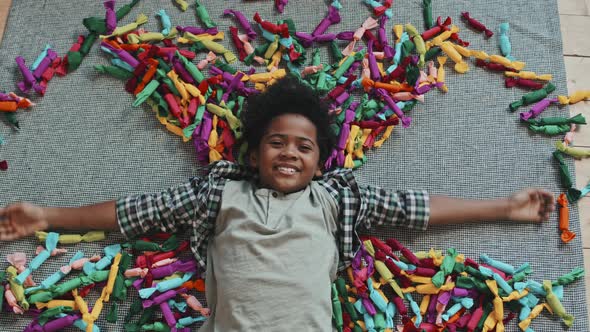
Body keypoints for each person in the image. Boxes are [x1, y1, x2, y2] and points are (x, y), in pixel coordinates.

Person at [0, 75, 555, 331]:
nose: (289, 154)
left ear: (321, 160)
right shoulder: (219, 192)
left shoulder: (339, 196)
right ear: (256, 148)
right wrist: (47, 217)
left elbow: (418, 209)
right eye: (276, 142)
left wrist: (504, 207)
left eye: (304, 147)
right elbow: (132, 212)